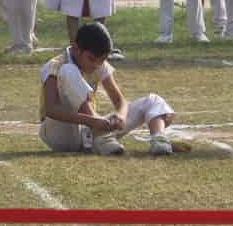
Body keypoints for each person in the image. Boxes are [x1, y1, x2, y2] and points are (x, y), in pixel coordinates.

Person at [38, 22, 179, 157]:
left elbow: (119, 101)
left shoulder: (99, 63)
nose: (96, 65)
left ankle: (159, 139)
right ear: (76, 48)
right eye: (91, 59)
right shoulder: (55, 66)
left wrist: (120, 116)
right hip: (61, 135)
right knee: (68, 70)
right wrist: (94, 122)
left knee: (153, 101)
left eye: (101, 60)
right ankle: (100, 135)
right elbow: (51, 110)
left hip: (91, 129)